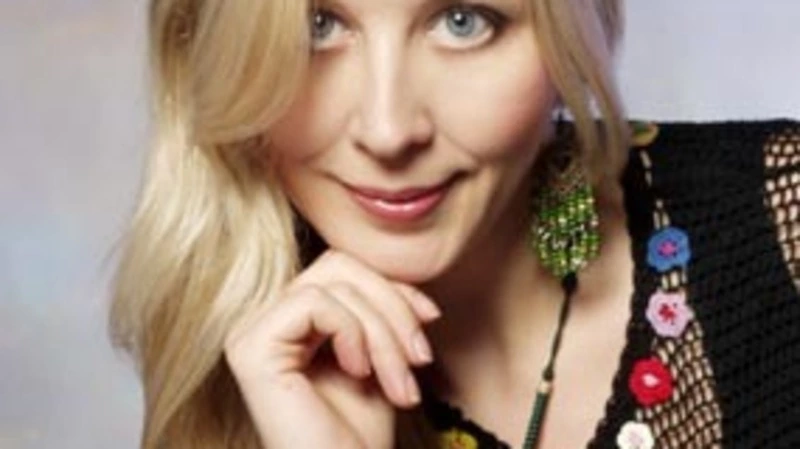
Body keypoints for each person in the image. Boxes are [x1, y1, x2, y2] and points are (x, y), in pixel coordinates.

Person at [108, 0, 800, 448]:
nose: (388, 130)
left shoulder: (781, 214)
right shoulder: (240, 390)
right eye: (315, 26)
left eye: (464, 20)